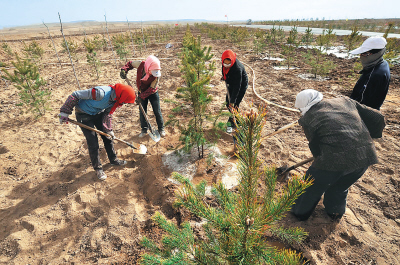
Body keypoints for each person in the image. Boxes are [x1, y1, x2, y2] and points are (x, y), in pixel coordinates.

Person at [291, 89, 385, 221]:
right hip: (366, 155)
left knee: (311, 185)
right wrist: (371, 136)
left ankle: (299, 213)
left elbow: (315, 148)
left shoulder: (308, 119)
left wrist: (321, 166)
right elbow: (377, 117)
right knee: (340, 186)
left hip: (333, 161)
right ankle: (334, 212)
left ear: (304, 108)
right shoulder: (345, 100)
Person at [59, 83, 136, 180]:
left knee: (107, 138)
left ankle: (113, 159)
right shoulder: (100, 93)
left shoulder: (115, 100)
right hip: (84, 115)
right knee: (93, 143)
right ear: (122, 95)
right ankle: (98, 169)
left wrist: (108, 130)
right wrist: (65, 112)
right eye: (125, 101)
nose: (124, 103)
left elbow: (107, 114)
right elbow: (76, 94)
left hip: (97, 113)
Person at [120, 55, 165, 138]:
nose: (153, 73)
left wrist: (141, 97)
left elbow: (152, 88)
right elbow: (130, 64)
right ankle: (144, 129)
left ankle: (161, 128)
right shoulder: (141, 64)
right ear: (148, 67)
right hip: (141, 91)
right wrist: (124, 70)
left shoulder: (156, 75)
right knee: (142, 111)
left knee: (157, 111)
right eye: (152, 71)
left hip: (152, 93)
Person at [349, 36, 390, 110]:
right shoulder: (382, 64)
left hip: (364, 114)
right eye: (361, 53)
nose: (361, 56)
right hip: (372, 109)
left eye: (365, 54)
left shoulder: (374, 75)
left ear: (378, 53)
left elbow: (361, 102)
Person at [221, 49, 248, 133]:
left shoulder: (237, 68)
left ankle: (231, 124)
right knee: (227, 102)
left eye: (228, 63)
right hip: (231, 83)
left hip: (240, 86)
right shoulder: (224, 63)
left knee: (234, 105)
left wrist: (232, 101)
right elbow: (225, 71)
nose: (226, 65)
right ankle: (238, 120)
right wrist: (224, 77)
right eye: (225, 63)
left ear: (232, 61)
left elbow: (237, 87)